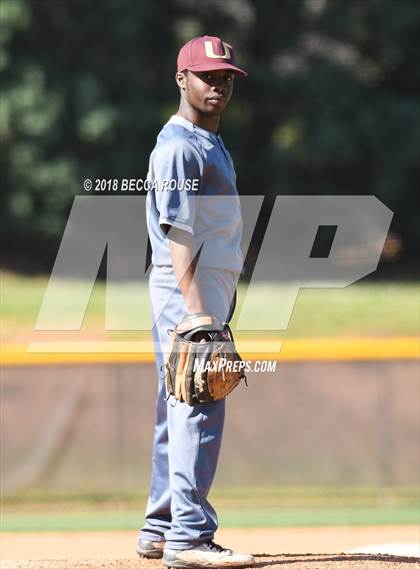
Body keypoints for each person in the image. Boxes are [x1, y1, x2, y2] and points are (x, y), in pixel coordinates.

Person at [137, 35, 255, 569]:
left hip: (203, 289)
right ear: (181, 78)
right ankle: (189, 538)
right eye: (208, 75)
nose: (219, 85)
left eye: (226, 77)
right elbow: (178, 231)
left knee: (177, 406)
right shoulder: (181, 146)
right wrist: (198, 311)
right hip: (191, 291)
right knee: (199, 405)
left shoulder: (207, 140)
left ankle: (161, 528)